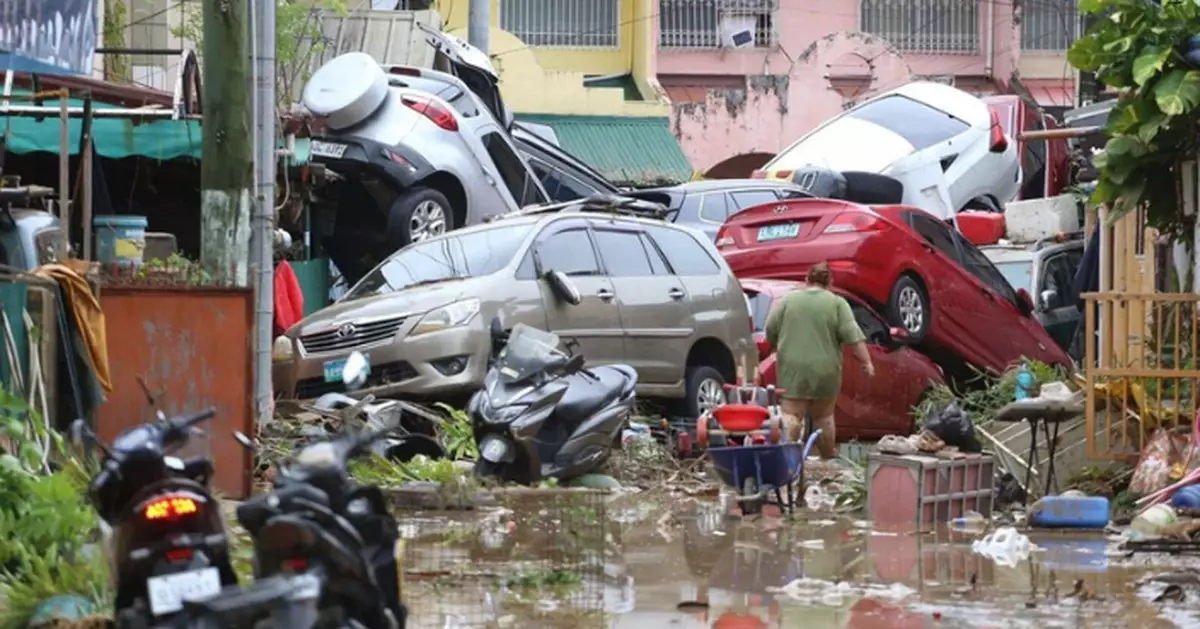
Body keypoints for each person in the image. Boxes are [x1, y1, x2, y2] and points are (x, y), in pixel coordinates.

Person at [764, 262, 874, 458]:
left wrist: (773, 346)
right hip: (826, 369)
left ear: (806, 280)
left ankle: (786, 458)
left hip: (792, 368)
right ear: (830, 282)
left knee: (791, 415)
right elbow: (853, 336)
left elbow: (770, 330)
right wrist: (867, 363)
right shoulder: (837, 303)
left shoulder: (788, 300)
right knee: (824, 417)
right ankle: (827, 459)